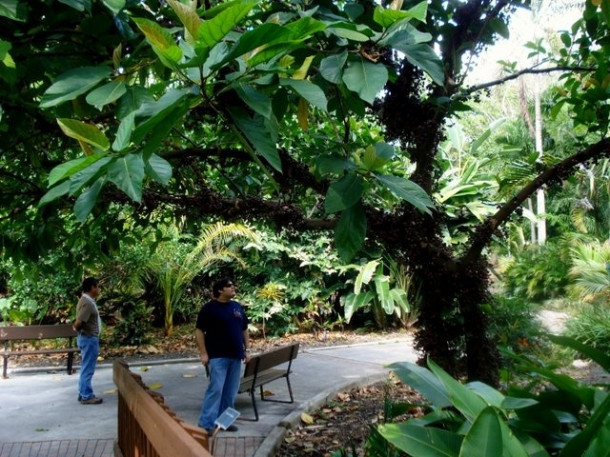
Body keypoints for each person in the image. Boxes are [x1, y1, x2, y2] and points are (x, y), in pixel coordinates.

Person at [196, 277, 250, 433]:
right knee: (216, 390)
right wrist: (203, 353)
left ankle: (224, 422)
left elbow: (244, 329)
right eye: (229, 286)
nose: (233, 287)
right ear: (220, 290)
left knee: (230, 392)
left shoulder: (236, 307)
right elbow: (199, 331)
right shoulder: (209, 309)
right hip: (217, 356)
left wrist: (247, 349)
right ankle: (206, 424)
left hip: (235, 356)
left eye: (233, 285)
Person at [73, 277, 103, 405]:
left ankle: (83, 393)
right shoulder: (87, 302)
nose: (99, 289)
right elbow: (80, 322)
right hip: (89, 338)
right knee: (88, 368)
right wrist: (75, 328)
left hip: (88, 338)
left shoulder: (87, 300)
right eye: (98, 286)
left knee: (86, 366)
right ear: (92, 287)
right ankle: (86, 395)